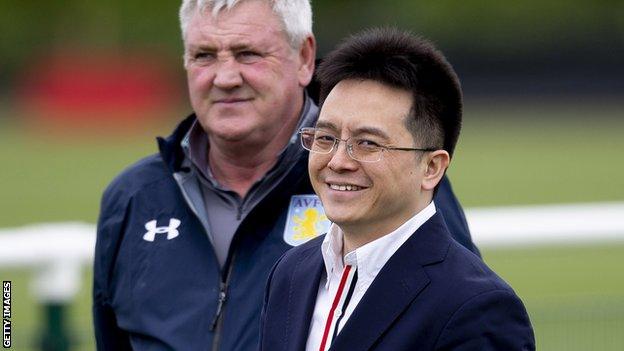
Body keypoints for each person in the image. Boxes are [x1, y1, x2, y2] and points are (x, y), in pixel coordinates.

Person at [92, 1, 478, 350]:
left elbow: (450, 314)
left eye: (248, 54)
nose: (225, 77)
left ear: (304, 58)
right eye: (204, 55)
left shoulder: (382, 183)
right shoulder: (135, 197)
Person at [259, 28, 535, 351]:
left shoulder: (477, 308)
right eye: (325, 138)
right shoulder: (290, 274)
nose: (337, 161)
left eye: (367, 143)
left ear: (432, 168)